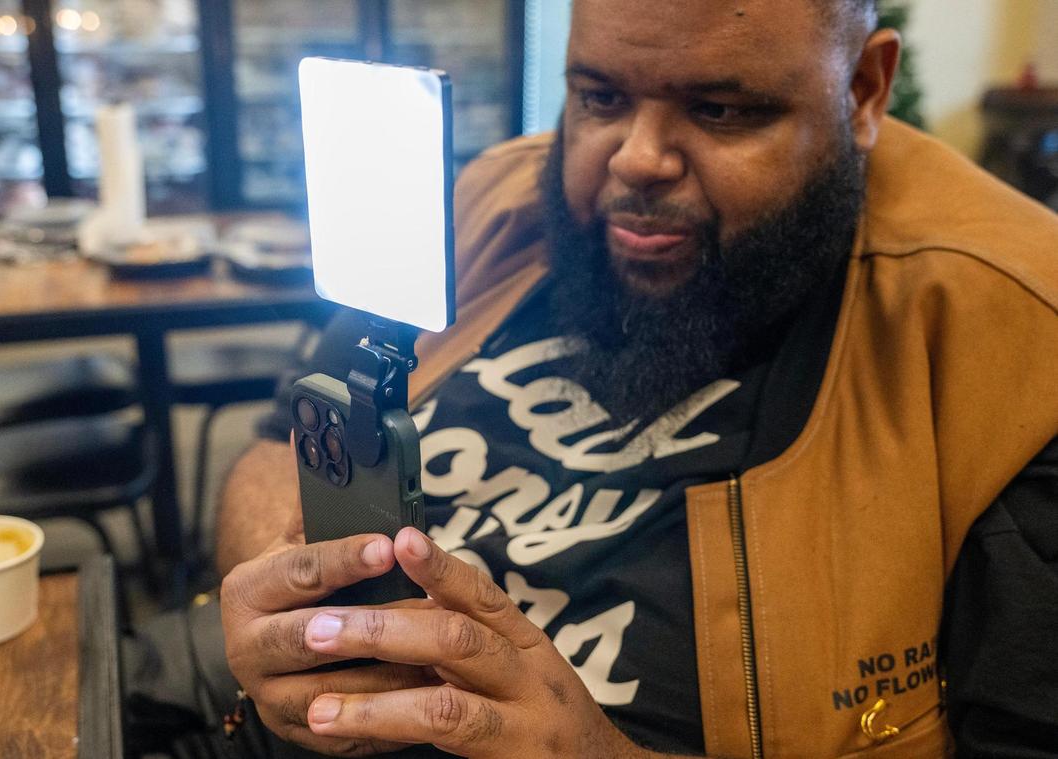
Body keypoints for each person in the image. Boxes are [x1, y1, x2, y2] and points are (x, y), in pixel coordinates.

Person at [217, 0, 1058, 756]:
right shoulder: (497, 199)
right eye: (600, 97)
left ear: (865, 90)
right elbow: (274, 447)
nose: (638, 159)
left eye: (720, 109)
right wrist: (302, 620)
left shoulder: (1012, 345)